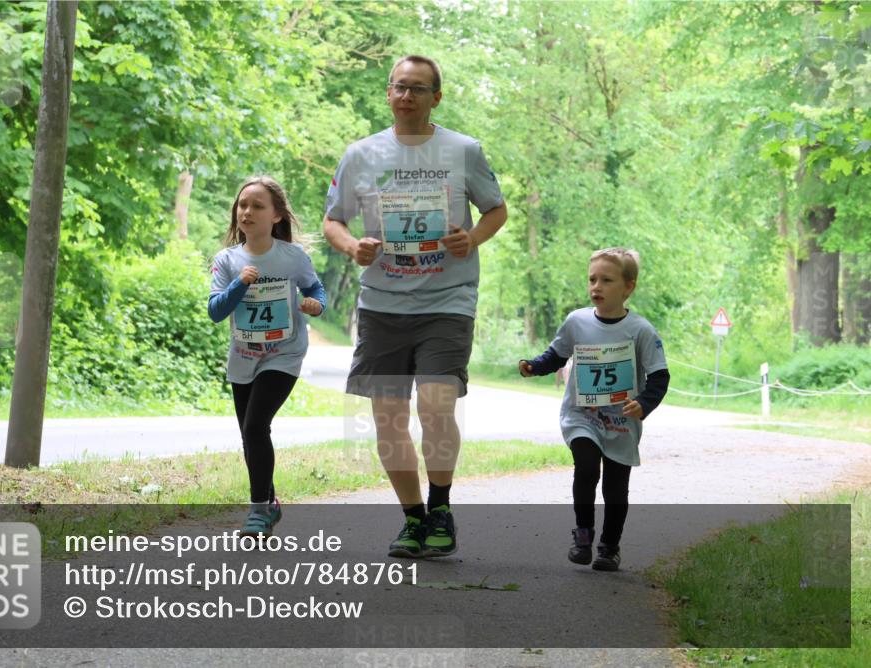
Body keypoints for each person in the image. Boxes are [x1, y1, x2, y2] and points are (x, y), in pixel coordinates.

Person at [323, 55, 508, 558]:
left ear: (436, 98)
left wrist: (469, 239)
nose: (407, 96)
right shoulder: (360, 154)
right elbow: (332, 220)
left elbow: (496, 209)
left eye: (418, 89)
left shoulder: (463, 150)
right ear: (388, 93)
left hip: (448, 300)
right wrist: (351, 247)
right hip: (383, 303)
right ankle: (413, 518)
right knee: (387, 417)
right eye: (400, 87)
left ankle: (442, 505)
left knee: (435, 403)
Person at [519, 248, 669, 571]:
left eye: (606, 280)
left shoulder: (641, 331)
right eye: (592, 280)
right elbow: (557, 355)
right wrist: (534, 366)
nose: (596, 287)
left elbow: (659, 376)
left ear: (628, 287)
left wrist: (642, 404)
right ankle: (583, 535)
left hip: (620, 422)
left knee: (616, 488)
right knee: (586, 468)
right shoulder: (577, 322)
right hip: (582, 416)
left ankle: (609, 546)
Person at [209, 176, 327, 537]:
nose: (247, 212)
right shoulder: (227, 260)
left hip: (284, 353)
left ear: (276, 216)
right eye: (243, 205)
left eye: (257, 206)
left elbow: (315, 288)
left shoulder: (292, 257)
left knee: (255, 425)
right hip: (243, 355)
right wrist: (239, 283)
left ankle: (258, 511)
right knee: (250, 434)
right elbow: (216, 311)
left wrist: (315, 305)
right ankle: (270, 503)